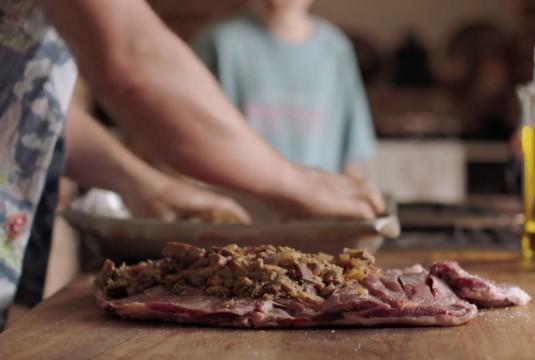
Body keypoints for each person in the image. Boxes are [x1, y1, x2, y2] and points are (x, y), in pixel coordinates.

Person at [0, 0, 384, 329]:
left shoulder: (333, 48)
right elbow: (133, 56)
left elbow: (31, 107)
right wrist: (294, 182)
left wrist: (141, 182)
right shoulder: (223, 40)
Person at [192, 0, 377, 176]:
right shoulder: (218, 44)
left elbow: (353, 157)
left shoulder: (335, 49)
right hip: (238, 202)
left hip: (315, 203)